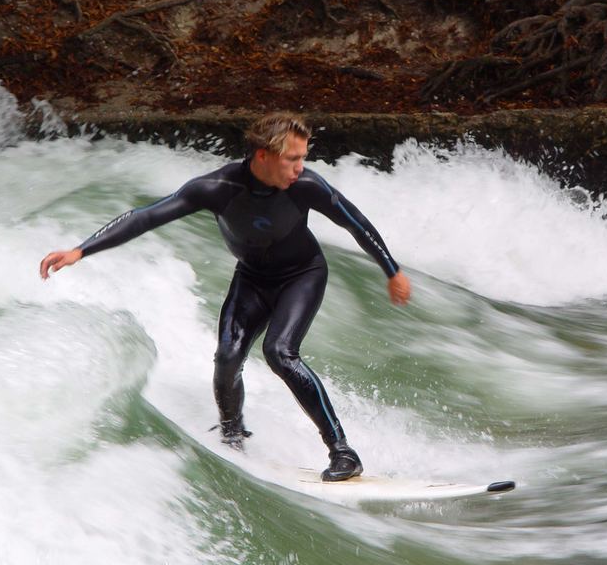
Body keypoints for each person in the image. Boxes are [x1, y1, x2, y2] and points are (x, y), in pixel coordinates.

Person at [39, 112, 411, 482]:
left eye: (303, 158)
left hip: (302, 275)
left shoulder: (307, 187)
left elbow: (356, 223)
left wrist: (391, 271)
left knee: (280, 353)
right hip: (251, 277)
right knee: (228, 356)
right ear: (263, 156)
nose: (301, 167)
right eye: (292, 159)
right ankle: (232, 436)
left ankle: (342, 451)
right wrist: (80, 251)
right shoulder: (218, 187)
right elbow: (146, 216)